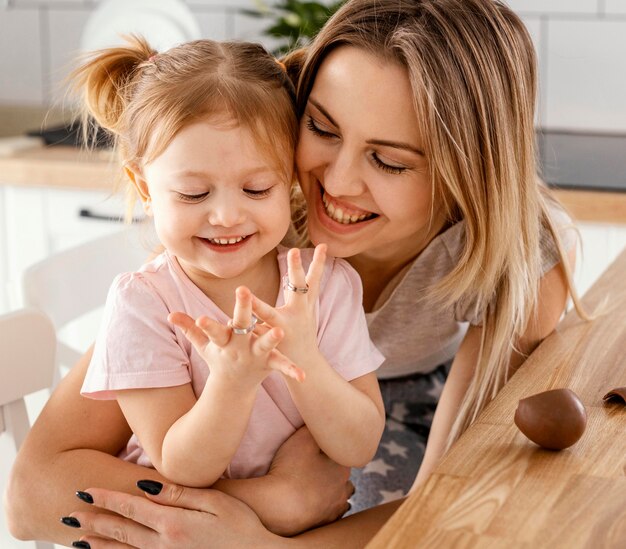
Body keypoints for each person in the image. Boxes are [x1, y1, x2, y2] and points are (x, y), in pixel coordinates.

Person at [5, 0, 583, 546]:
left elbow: (440, 505)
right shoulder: (247, 220)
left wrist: (254, 540)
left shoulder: (518, 264)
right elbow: (34, 498)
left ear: (469, 172)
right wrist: (271, 498)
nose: (335, 184)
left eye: (389, 160)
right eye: (323, 129)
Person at [72, 35, 385, 491]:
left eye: (257, 189)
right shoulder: (144, 304)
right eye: (194, 194)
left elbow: (358, 448)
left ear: (291, 181)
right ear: (144, 189)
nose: (225, 216)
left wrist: (303, 356)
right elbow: (181, 467)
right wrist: (233, 384)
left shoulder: (324, 284)